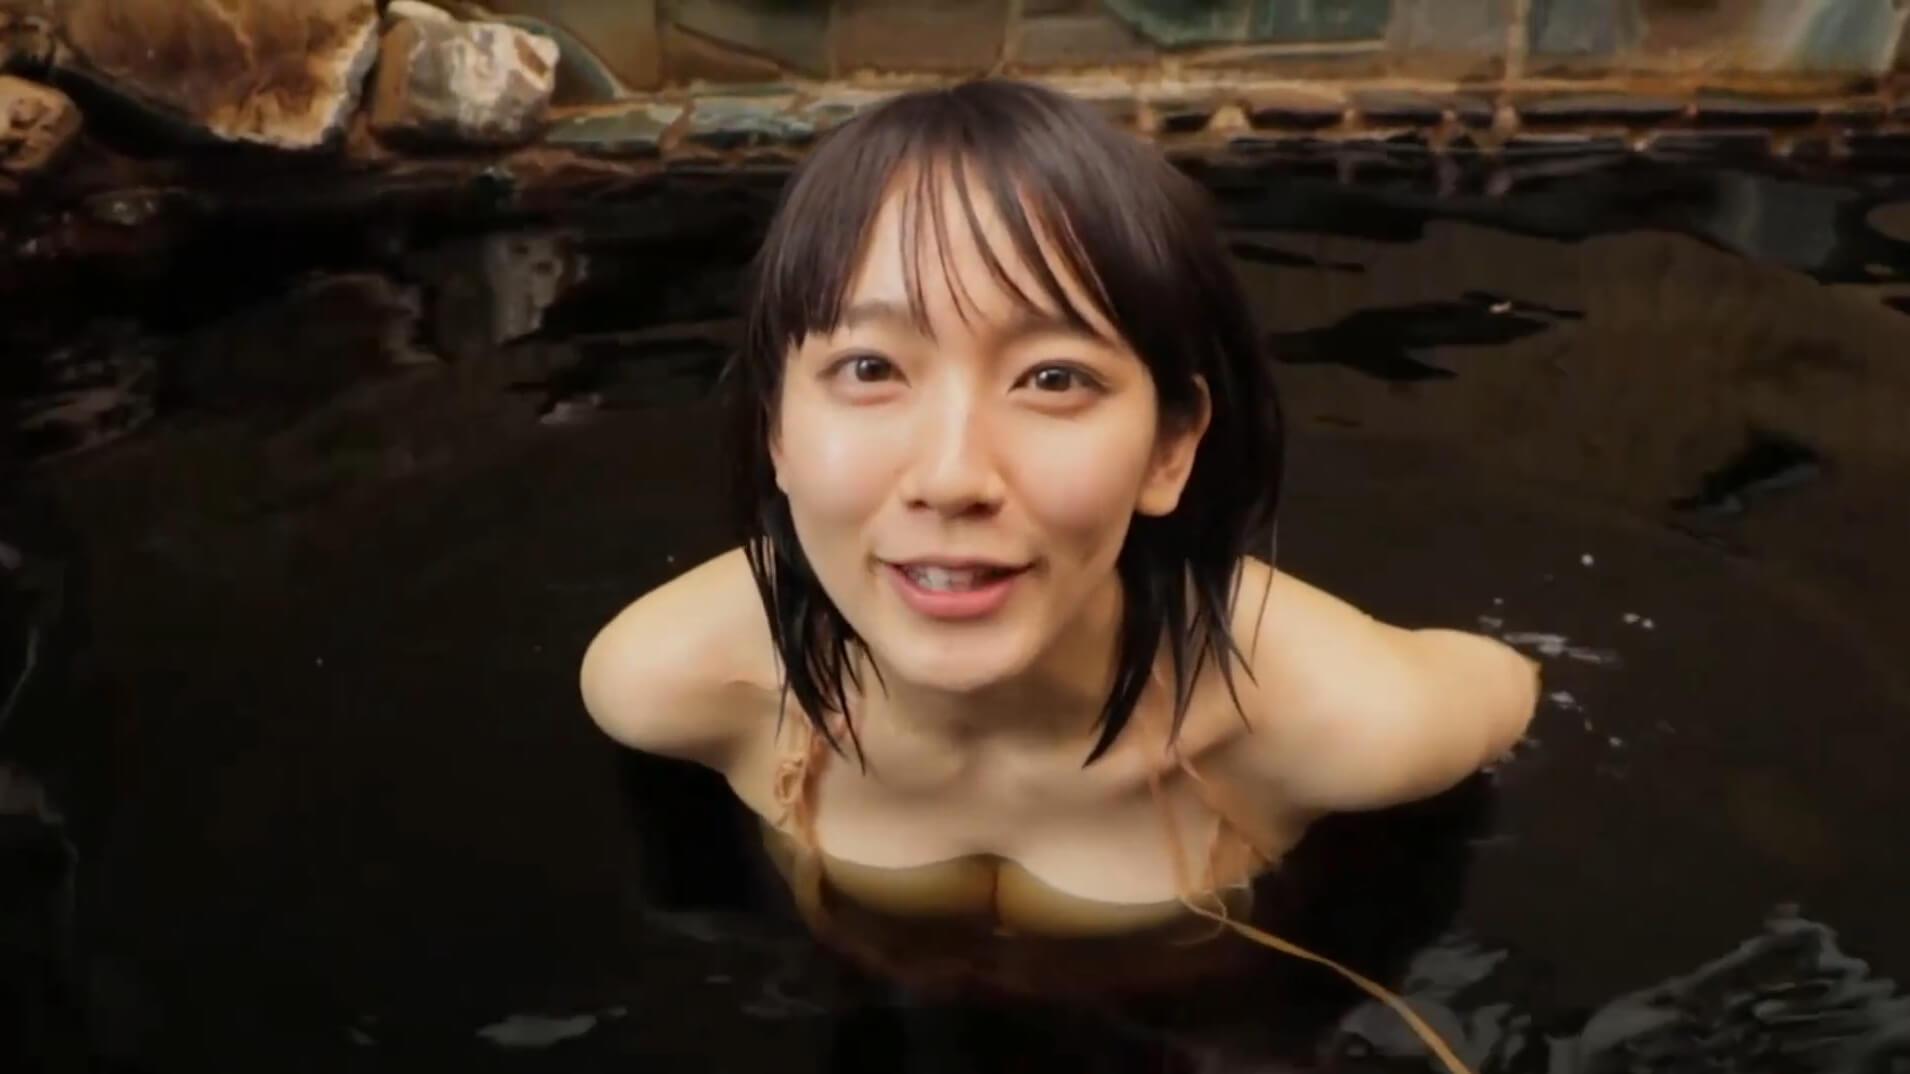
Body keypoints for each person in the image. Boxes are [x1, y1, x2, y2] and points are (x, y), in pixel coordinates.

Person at [581, 78, 1537, 1071]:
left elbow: (1510, 686)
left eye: (1053, 378)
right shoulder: (671, 686)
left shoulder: (1348, 723)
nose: (951, 477)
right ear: (775, 429)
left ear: (1169, 448)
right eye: (870, 368)